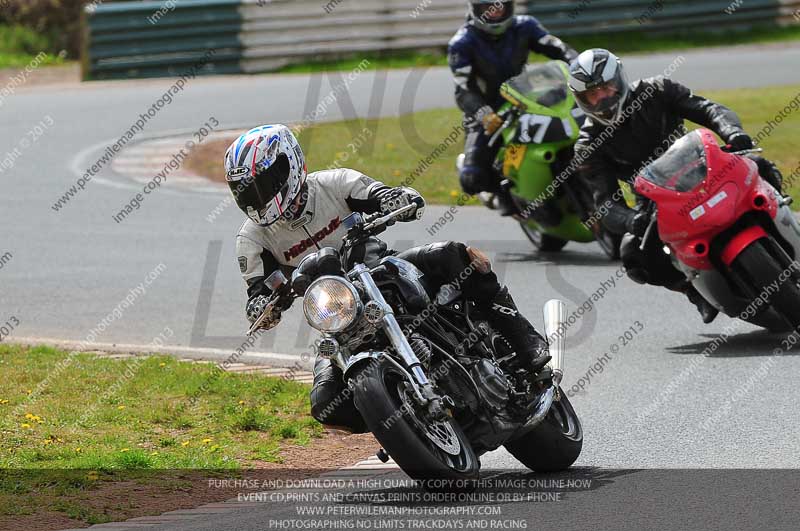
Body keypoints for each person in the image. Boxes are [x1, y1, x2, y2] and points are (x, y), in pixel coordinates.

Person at [225, 124, 551, 431]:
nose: (256, 196)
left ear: (288, 166)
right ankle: (405, 421)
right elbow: (259, 289)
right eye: (246, 191)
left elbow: (378, 193)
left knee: (451, 255)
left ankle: (525, 340)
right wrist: (261, 306)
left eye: (261, 185)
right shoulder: (253, 239)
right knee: (326, 405)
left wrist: (396, 199)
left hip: (380, 271)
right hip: (337, 314)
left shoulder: (334, 183)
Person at [567, 48, 784, 323]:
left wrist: (732, 132)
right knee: (635, 253)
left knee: (758, 165)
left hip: (702, 163)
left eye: (606, 88)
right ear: (581, 100)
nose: (602, 98)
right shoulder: (588, 145)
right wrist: (632, 220)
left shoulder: (656, 89)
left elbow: (708, 109)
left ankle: (784, 221)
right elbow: (605, 204)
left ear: (619, 80)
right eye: (592, 95)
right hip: (654, 200)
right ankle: (694, 291)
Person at [448, 0, 577, 212]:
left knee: (571, 128)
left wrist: (579, 66)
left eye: (501, 6)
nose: (496, 13)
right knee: (472, 177)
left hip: (525, 98)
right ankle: (502, 193)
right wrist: (483, 114)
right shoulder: (462, 43)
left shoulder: (525, 25)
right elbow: (463, 90)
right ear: (474, 9)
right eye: (489, 8)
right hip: (486, 110)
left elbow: (559, 49)